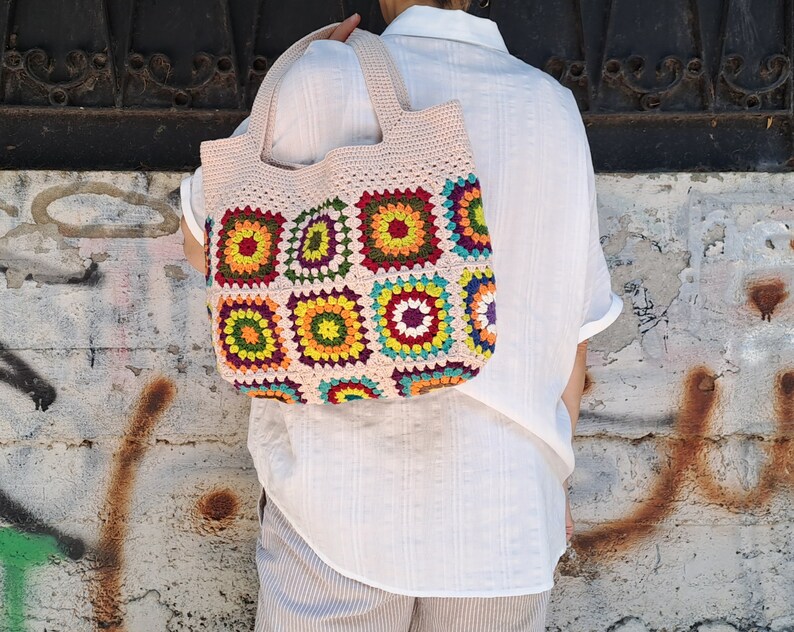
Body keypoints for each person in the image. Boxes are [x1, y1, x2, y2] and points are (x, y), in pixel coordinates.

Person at [180, 1, 622, 630]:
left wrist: (284, 94)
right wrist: (552, 476)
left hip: (337, 498)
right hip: (507, 510)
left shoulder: (325, 75)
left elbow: (210, 246)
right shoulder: (550, 107)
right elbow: (571, 337)